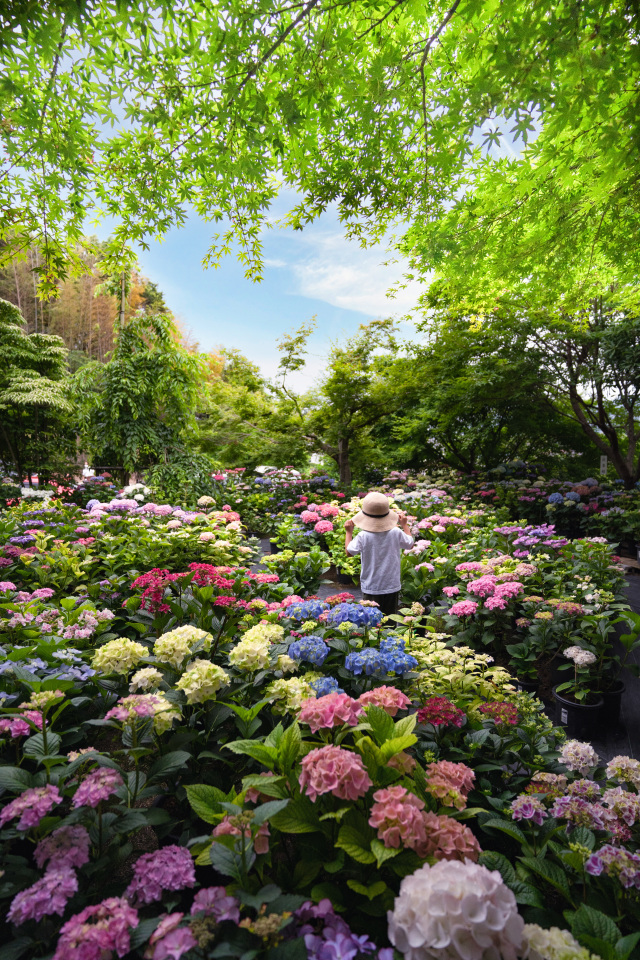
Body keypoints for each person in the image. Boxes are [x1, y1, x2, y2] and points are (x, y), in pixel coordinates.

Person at [344, 491, 413, 616]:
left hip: (371, 586)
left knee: (371, 622)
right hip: (391, 585)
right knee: (390, 621)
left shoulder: (363, 536)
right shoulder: (395, 532)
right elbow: (410, 543)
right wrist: (404, 525)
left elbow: (349, 552)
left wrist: (349, 532)